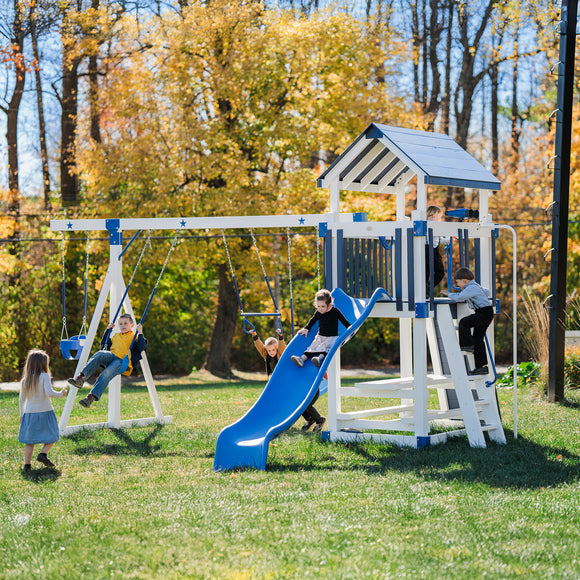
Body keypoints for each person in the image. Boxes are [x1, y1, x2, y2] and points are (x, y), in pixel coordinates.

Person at [291, 289, 351, 431]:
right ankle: (302, 359)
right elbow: (312, 321)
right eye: (318, 306)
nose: (320, 309)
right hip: (320, 336)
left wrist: (349, 328)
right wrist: (306, 329)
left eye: (323, 306)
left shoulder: (335, 311)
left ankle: (319, 359)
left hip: (331, 338)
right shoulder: (318, 313)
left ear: (329, 304)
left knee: (325, 350)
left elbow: (344, 321)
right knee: (312, 347)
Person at [67, 313, 147, 408]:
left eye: (126, 323)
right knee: (100, 353)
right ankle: (81, 378)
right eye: (120, 324)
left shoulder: (135, 336)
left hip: (121, 362)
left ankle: (90, 397)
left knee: (106, 373)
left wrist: (140, 333)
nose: (123, 325)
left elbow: (142, 347)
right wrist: (108, 330)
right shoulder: (116, 336)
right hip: (111, 356)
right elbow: (104, 345)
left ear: (132, 325)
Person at [19, 350, 66, 471]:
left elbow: (21, 400)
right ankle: (43, 454)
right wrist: (61, 394)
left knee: (29, 441)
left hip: (29, 414)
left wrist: (21, 414)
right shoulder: (44, 376)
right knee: (53, 434)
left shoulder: (25, 381)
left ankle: (27, 465)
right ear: (43, 364)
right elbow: (49, 393)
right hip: (46, 411)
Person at [441, 267, 494, 376]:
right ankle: (482, 367)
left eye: (458, 283)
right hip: (486, 312)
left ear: (464, 280)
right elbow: (487, 292)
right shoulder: (475, 286)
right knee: (478, 339)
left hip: (483, 313)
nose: (458, 285)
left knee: (464, 322)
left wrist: (448, 294)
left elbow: (461, 297)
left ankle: (467, 345)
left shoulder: (471, 288)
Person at [425, 205, 446, 295]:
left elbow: (440, 238)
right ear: (433, 216)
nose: (440, 219)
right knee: (439, 271)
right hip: (428, 248)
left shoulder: (436, 226)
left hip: (432, 248)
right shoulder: (430, 224)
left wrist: (450, 239)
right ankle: (427, 287)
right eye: (440, 217)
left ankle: (426, 287)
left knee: (426, 271)